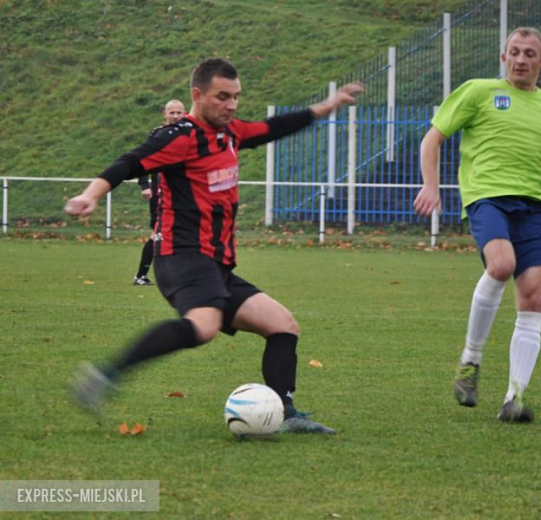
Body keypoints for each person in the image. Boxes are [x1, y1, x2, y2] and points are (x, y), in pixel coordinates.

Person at [65, 58, 364, 434]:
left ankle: (286, 414)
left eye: (236, 97)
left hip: (217, 264)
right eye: (223, 97)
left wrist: (328, 105)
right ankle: (103, 376)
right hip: (182, 257)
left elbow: (273, 128)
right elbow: (129, 162)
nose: (232, 105)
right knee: (203, 327)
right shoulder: (180, 137)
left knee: (283, 325)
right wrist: (90, 195)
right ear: (198, 95)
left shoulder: (231, 133)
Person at [413, 27, 541, 423]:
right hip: (488, 198)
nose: (521, 59)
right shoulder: (477, 92)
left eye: (529, 53)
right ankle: (470, 361)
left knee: (533, 295)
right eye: (514, 52)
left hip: (535, 207)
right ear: (503, 57)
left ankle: (514, 397)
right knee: (502, 265)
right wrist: (430, 185)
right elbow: (433, 138)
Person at [133, 99, 186, 286]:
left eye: (179, 113)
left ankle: (148, 275)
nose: (176, 116)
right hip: (161, 195)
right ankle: (141, 275)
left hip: (182, 195)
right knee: (158, 234)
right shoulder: (158, 134)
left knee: (181, 233)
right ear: (165, 114)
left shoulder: (190, 133)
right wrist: (144, 184)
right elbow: (143, 159)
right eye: (172, 113)